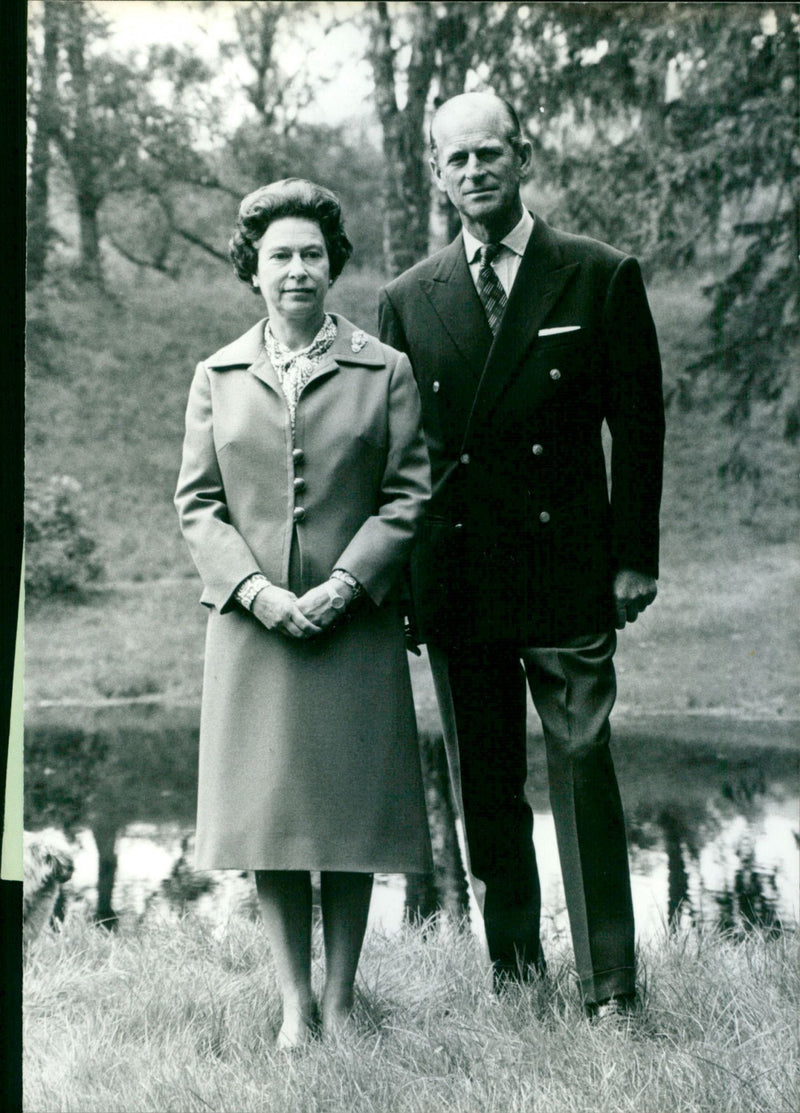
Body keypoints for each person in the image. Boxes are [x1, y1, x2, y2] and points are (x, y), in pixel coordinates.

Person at [379, 93, 665, 1020]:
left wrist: (635, 558)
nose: (474, 173)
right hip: (459, 579)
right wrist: (407, 584)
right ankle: (514, 978)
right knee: (488, 787)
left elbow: (642, 427)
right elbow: (401, 457)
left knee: (583, 766)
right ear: (436, 171)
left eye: (490, 154)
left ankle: (611, 987)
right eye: (455, 160)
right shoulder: (407, 297)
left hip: (570, 569)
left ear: (524, 156)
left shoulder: (597, 274)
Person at [175, 178, 432, 1049]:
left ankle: (342, 996)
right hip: (254, 630)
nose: (297, 270)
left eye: (312, 254)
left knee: (347, 816)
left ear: (334, 265)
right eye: (280, 255)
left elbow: (407, 495)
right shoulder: (216, 374)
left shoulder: (382, 369)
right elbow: (198, 504)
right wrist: (257, 591)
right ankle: (292, 1002)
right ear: (255, 269)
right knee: (272, 817)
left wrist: (346, 584)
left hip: (353, 624)